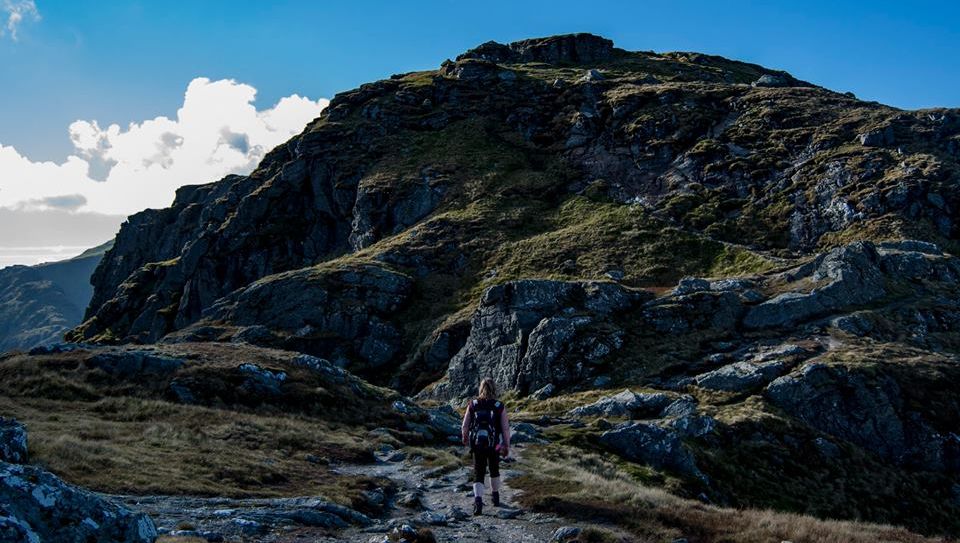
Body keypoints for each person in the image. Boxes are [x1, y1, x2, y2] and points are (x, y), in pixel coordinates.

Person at [461, 378, 511, 516]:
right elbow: (505, 428)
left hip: (477, 445)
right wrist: (506, 444)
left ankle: (478, 501)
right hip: (494, 445)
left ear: (480, 388)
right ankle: (495, 496)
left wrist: (464, 437)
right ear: (494, 388)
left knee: (479, 472)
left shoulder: (473, 404)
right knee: (494, 469)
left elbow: (465, 425)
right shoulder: (498, 405)